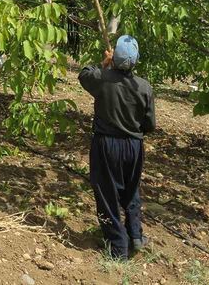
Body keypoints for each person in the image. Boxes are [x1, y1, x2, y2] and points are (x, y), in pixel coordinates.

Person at [79, 35, 155, 260]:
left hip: (106, 144)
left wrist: (104, 64)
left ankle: (118, 248)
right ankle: (136, 236)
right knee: (131, 190)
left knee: (107, 194)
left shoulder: (102, 79)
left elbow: (84, 74)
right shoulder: (144, 86)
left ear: (114, 58)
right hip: (134, 146)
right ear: (136, 60)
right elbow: (149, 124)